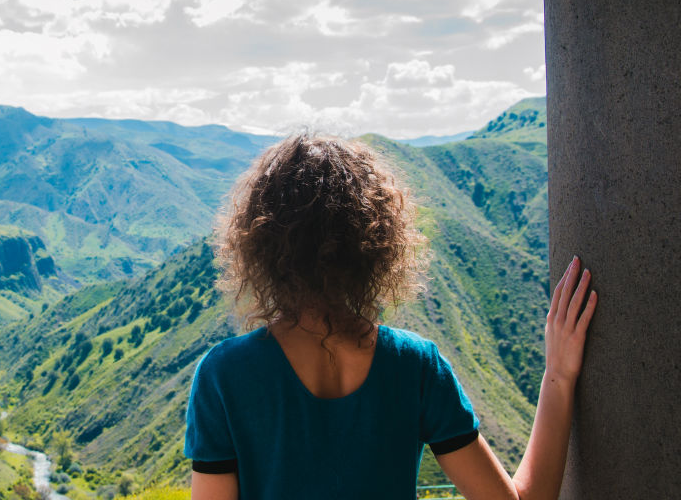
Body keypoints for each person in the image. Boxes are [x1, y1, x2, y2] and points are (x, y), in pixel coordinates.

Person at [184, 133, 597, 500]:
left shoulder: (224, 375)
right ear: (374, 242)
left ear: (260, 246)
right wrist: (558, 377)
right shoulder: (415, 365)